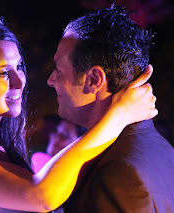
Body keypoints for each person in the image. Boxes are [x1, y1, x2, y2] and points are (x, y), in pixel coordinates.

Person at [0, 8, 157, 213]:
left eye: (19, 67)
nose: (20, 82)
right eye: (2, 73)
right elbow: (42, 196)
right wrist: (119, 115)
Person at [46, 5, 174, 212]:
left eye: (59, 70)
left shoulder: (117, 171)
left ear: (94, 79)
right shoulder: (164, 151)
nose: (51, 80)